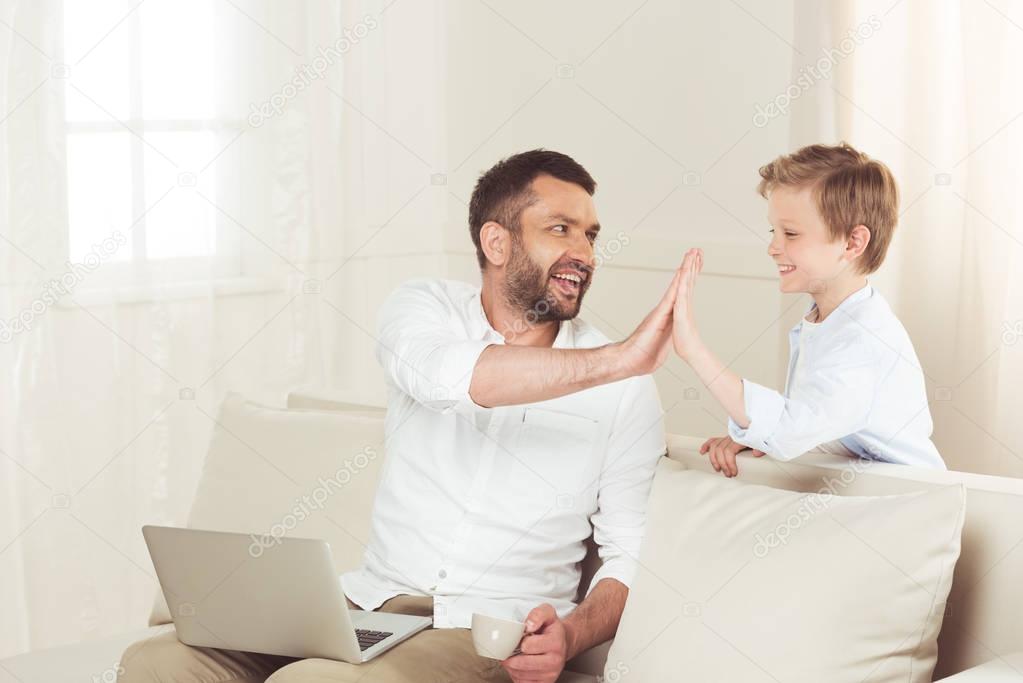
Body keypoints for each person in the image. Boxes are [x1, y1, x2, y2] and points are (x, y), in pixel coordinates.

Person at [117, 149, 682, 683]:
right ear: (496, 241)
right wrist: (617, 360)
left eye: (590, 235)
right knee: (156, 663)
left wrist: (572, 634)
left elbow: (626, 555)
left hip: (482, 632)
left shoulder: (625, 390)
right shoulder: (424, 309)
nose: (584, 252)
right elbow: (445, 378)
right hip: (368, 602)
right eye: (560, 228)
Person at [671, 143, 945, 477]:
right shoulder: (828, 319)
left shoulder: (863, 341)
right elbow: (818, 420)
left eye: (791, 233)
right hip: (864, 490)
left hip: (902, 503)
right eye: (774, 231)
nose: (773, 247)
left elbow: (789, 429)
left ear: (852, 243)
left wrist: (693, 349)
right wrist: (760, 436)